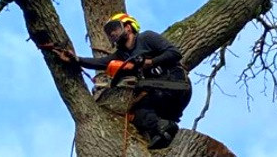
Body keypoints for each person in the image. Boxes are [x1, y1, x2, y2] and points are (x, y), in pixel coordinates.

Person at [52, 13, 192, 150]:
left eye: (115, 28)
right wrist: (76, 60)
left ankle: (163, 127)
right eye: (109, 32)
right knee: (135, 114)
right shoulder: (121, 55)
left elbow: (175, 53)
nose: (112, 33)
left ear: (128, 27)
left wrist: (150, 62)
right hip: (161, 99)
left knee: (139, 88)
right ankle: (163, 130)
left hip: (175, 83)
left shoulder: (146, 38)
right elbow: (100, 62)